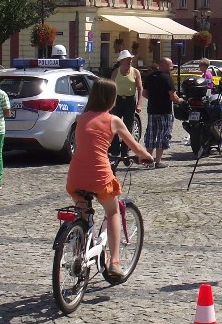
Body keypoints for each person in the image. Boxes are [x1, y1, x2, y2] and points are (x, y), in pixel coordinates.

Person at [66, 78, 153, 278]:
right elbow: (135, 146)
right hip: (99, 175)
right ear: (111, 99)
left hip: (76, 175)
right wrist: (146, 156)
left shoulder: (82, 117)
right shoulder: (113, 120)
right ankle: (114, 261)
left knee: (83, 213)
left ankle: (78, 250)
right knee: (113, 212)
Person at [142, 57, 183, 168]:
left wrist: (153, 98)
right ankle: (158, 161)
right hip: (164, 111)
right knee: (162, 135)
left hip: (152, 110)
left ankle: (148, 161)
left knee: (151, 134)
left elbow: (144, 93)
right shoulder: (167, 78)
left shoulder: (150, 77)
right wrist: (180, 101)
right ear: (164, 66)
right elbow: (173, 97)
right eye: (170, 66)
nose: (172, 68)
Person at [110, 50, 143, 159]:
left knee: (128, 127)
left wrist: (139, 104)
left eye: (130, 60)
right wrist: (111, 103)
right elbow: (111, 88)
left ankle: (125, 152)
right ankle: (115, 148)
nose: (130, 61)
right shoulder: (116, 72)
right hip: (118, 101)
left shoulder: (135, 72)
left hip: (130, 101)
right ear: (122, 61)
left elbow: (140, 88)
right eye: (128, 60)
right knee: (113, 125)